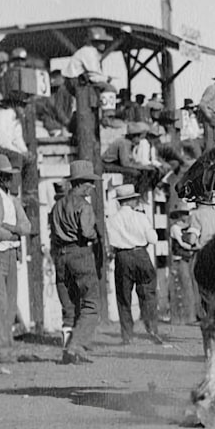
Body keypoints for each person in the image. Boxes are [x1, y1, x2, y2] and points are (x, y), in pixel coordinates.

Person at [0, 154, 33, 364]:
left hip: (11, 254)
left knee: (10, 304)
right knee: (0, 303)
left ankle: (6, 348)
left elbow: (27, 227)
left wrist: (11, 229)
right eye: (5, 176)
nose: (9, 180)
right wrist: (14, 233)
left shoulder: (13, 201)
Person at [49, 161, 103, 363]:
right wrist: (95, 237)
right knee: (91, 304)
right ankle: (77, 345)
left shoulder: (57, 205)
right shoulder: (84, 206)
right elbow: (87, 232)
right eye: (89, 183)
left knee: (70, 306)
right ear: (80, 183)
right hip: (79, 253)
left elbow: (53, 233)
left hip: (61, 256)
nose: (92, 187)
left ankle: (67, 352)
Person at [106, 184, 162, 345]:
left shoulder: (112, 220)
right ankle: (152, 330)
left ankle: (127, 335)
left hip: (122, 256)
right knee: (148, 294)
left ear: (119, 202)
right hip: (141, 254)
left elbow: (111, 243)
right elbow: (153, 239)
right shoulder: (141, 217)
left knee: (124, 297)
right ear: (131, 201)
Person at [101, 121, 160, 194]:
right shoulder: (124, 143)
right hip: (108, 164)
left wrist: (144, 166)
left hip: (116, 164)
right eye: (138, 137)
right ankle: (138, 191)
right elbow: (125, 163)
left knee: (151, 171)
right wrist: (143, 167)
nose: (139, 140)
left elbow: (131, 161)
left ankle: (144, 191)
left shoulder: (129, 143)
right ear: (133, 136)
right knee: (136, 173)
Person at [169, 200, 199, 326]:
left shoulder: (184, 227)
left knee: (189, 286)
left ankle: (190, 315)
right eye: (184, 214)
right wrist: (192, 248)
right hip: (179, 258)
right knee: (183, 286)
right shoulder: (175, 228)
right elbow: (181, 243)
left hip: (187, 258)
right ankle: (183, 317)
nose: (186, 216)